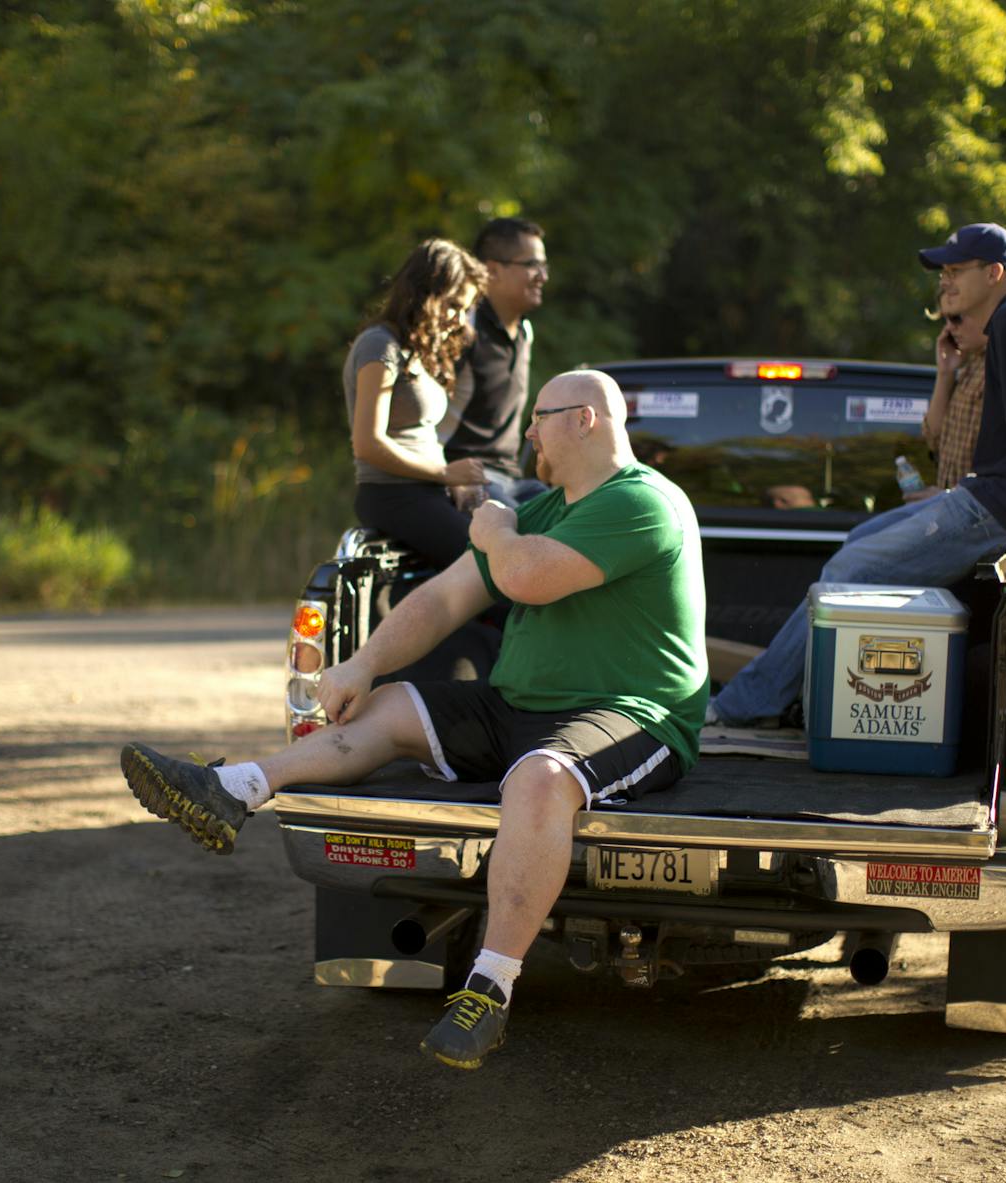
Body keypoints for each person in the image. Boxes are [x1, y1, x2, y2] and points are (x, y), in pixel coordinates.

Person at [119, 370, 708, 1070]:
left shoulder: (643, 501)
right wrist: (362, 665)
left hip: (626, 712)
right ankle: (233, 788)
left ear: (585, 419)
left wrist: (493, 525)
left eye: (539, 418)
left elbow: (524, 575)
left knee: (540, 780)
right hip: (520, 703)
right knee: (391, 704)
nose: (527, 434)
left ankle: (489, 987)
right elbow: (442, 600)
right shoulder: (546, 509)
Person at [710, 222, 1006, 727]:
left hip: (997, 508)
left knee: (847, 576)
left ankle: (746, 705)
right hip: (986, 498)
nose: (945, 283)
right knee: (857, 543)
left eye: (957, 271)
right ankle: (800, 699)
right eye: (943, 273)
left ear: (996, 274)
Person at [345, 238, 489, 568]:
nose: (459, 320)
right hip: (393, 495)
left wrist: (457, 485)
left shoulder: (417, 352)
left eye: (465, 310)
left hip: (428, 492)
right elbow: (367, 444)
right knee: (488, 569)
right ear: (423, 294)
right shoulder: (379, 346)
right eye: (453, 305)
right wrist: (445, 472)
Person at [441, 217, 550, 507]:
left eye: (544, 266)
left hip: (513, 479)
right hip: (466, 476)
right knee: (522, 534)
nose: (543, 276)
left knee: (574, 520)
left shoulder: (525, 332)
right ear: (492, 270)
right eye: (532, 265)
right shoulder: (462, 327)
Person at [910, 301, 990, 499]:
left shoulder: (998, 370)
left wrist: (948, 497)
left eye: (956, 318)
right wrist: (945, 373)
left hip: (978, 516)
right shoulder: (968, 369)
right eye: (945, 320)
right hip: (953, 512)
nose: (949, 328)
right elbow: (933, 438)